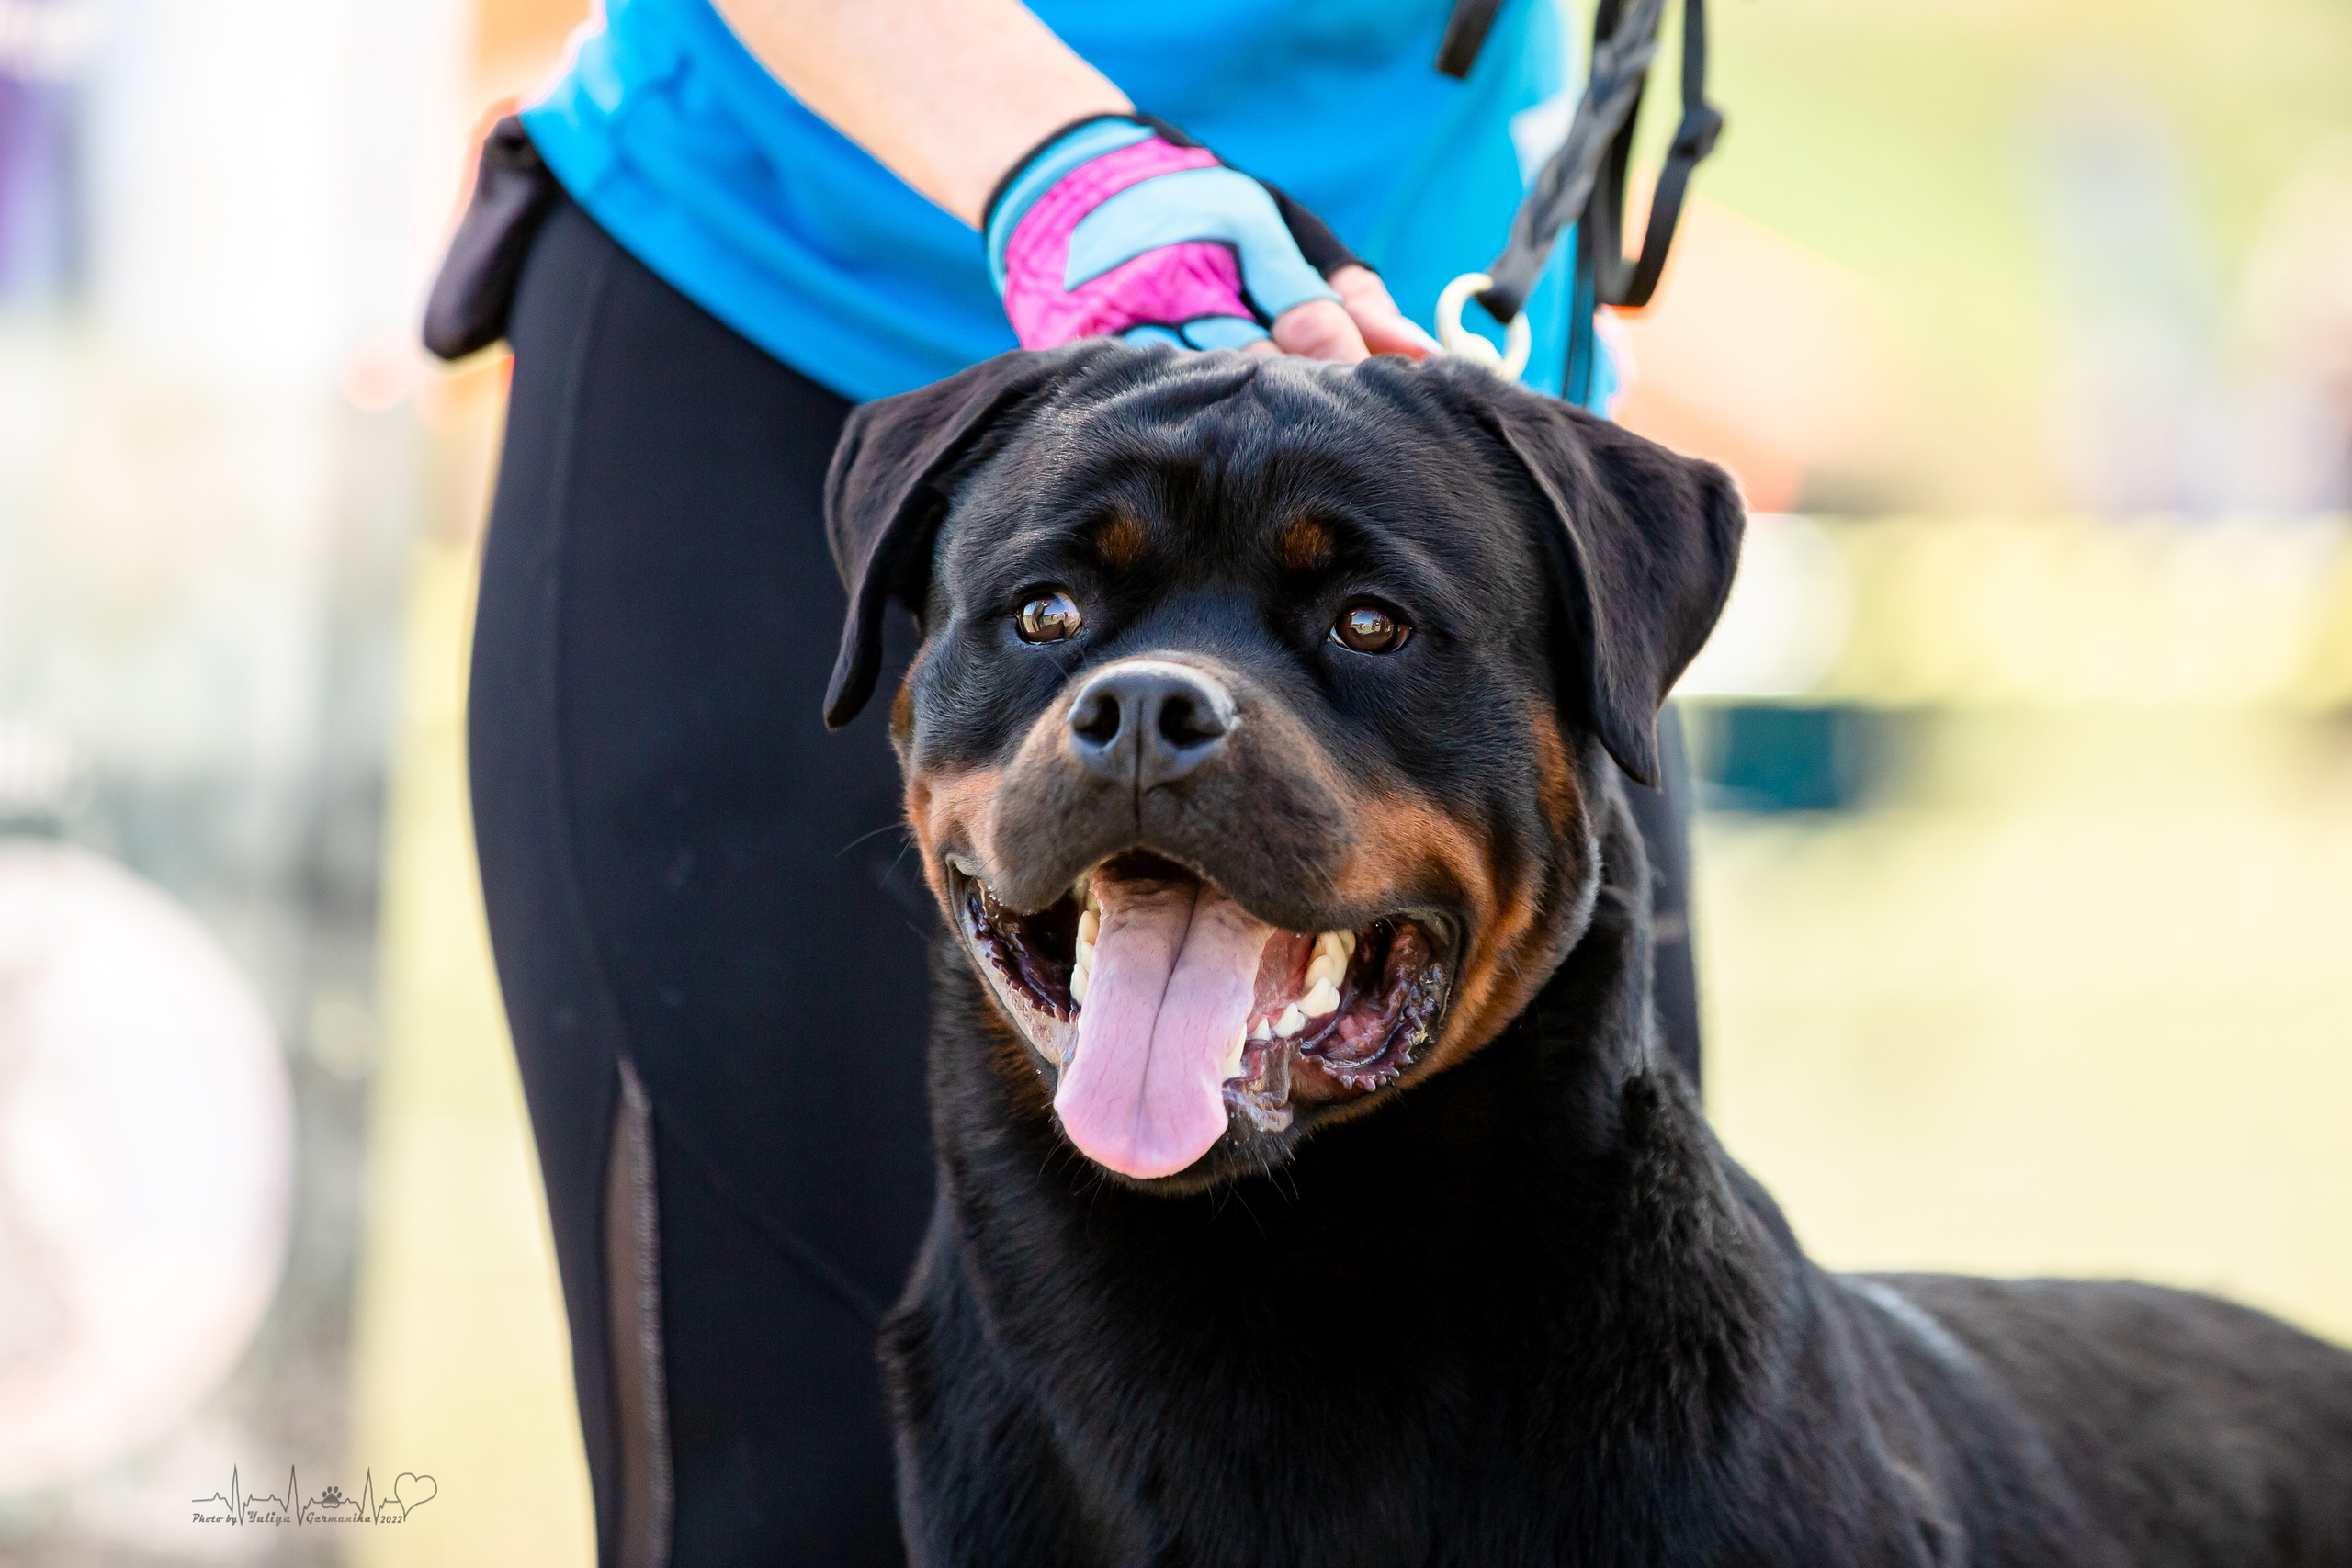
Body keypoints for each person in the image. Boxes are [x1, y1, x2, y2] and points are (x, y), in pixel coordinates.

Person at [431, 1, 1701, 1562]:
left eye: (1357, 627)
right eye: (1056, 620)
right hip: (798, 285)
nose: (1161, 705)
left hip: (1461, 379)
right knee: (798, 1513)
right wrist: (1063, 171)